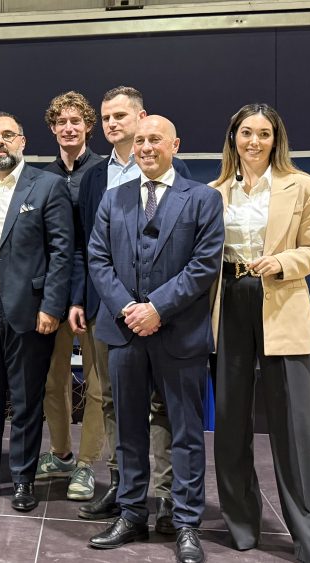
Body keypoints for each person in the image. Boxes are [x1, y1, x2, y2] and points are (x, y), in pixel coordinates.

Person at [87, 115, 223, 563]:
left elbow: (204, 265)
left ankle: (185, 523)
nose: (145, 147)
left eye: (155, 139)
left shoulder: (203, 199)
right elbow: (98, 258)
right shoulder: (113, 198)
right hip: (125, 332)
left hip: (180, 335)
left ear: (175, 145)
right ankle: (131, 513)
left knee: (185, 433)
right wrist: (128, 308)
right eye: (140, 140)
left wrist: (157, 308)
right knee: (127, 429)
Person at [211, 104, 310, 563]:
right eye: (246, 133)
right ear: (233, 138)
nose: (254, 142)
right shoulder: (214, 192)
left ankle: (308, 539)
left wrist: (281, 262)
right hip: (229, 302)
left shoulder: (303, 186)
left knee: (293, 429)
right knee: (230, 423)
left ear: (276, 139)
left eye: (264, 133)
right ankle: (242, 527)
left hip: (280, 303)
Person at [76, 86, 191, 531]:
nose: (111, 123)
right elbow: (89, 248)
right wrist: (98, 301)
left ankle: (163, 494)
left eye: (120, 116)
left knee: (162, 406)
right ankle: (123, 487)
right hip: (110, 310)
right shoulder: (94, 178)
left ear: (142, 118)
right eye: (106, 117)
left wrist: (156, 307)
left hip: (163, 315)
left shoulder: (176, 172)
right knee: (111, 401)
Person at [0, 112, 72, 513]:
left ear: (22, 141)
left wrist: (52, 306)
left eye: (8, 135)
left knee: (26, 400)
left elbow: (62, 252)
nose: (0, 142)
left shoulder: (48, 185)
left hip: (28, 309)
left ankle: (23, 479)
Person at [36, 91, 106, 501]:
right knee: (53, 378)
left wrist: (80, 294)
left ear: (88, 126)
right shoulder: (42, 177)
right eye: (61, 122)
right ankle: (61, 453)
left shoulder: (103, 171)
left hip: (94, 292)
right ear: (52, 128)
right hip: (52, 294)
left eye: (75, 121)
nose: (68, 128)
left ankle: (86, 464)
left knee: (96, 382)